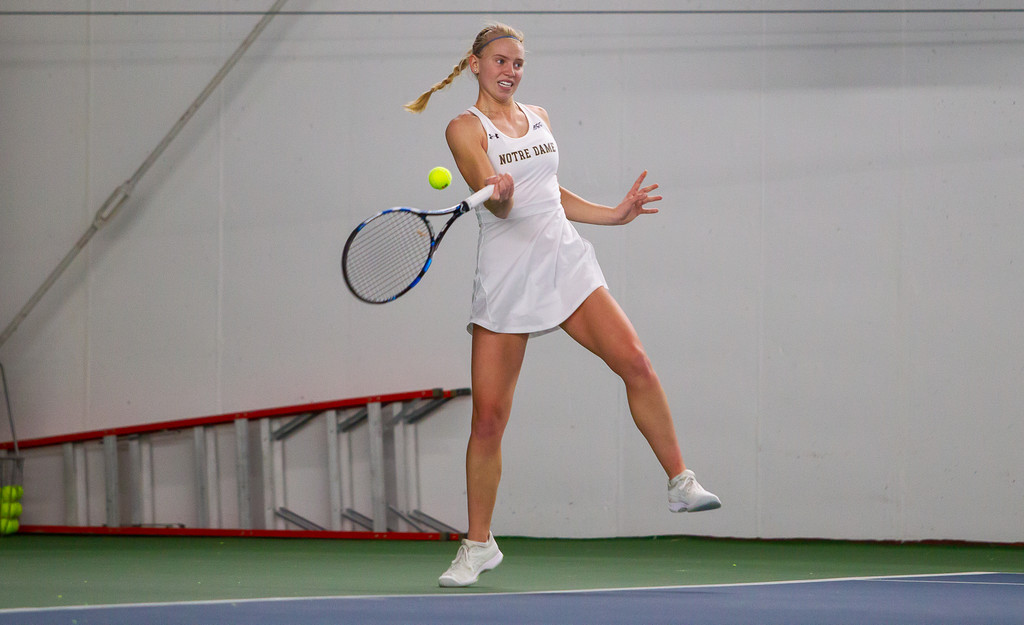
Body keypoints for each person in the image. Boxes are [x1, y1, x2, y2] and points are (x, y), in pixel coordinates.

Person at [406, 23, 721, 588]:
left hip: (565, 263)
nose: (511, 71)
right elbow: (497, 198)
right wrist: (496, 190)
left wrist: (614, 213)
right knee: (489, 419)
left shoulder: (540, 117)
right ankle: (478, 546)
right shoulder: (463, 129)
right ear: (475, 64)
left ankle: (680, 481)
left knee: (637, 363)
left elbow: (550, 192)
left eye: (519, 63)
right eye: (501, 60)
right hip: (507, 279)